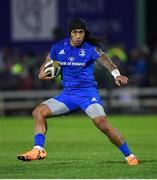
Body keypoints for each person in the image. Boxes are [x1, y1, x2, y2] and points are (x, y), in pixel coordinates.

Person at [17, 18, 139, 165]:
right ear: (70, 34)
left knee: (103, 124)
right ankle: (38, 149)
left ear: (84, 33)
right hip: (68, 95)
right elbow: (41, 73)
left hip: (87, 94)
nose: (78, 35)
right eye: (75, 32)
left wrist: (117, 75)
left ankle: (130, 156)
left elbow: (106, 61)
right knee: (38, 112)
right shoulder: (57, 48)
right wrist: (44, 73)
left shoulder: (90, 49)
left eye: (81, 32)